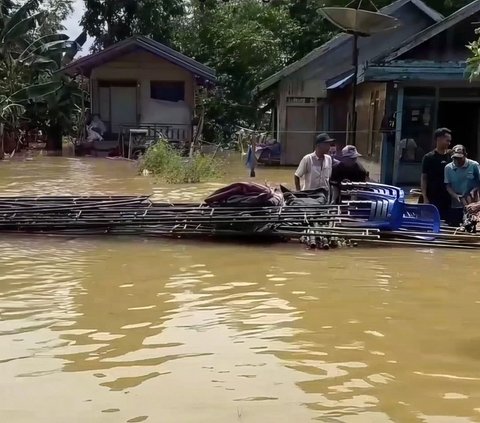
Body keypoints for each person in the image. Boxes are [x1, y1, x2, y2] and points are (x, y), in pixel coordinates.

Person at [444, 144, 480, 226]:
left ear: (465, 155)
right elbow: (448, 186)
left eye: (460, 158)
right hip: (456, 203)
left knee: (472, 225)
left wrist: (474, 190)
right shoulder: (448, 168)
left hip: (472, 203)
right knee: (456, 226)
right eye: (455, 158)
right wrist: (455, 196)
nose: (457, 161)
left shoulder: (474, 165)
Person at [420, 127, 452, 219]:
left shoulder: (451, 157)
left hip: (448, 196)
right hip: (433, 196)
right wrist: (425, 197)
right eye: (447, 140)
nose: (449, 143)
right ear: (439, 139)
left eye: (450, 141)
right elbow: (424, 178)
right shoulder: (429, 157)